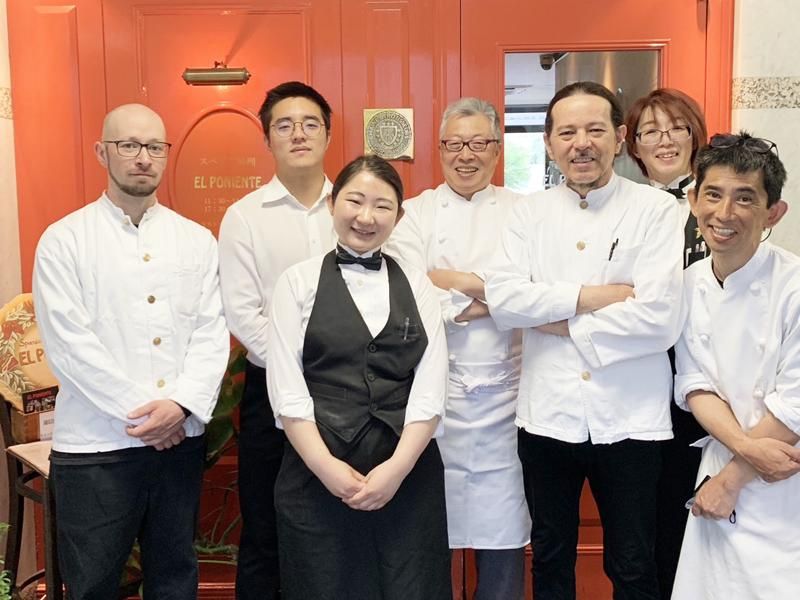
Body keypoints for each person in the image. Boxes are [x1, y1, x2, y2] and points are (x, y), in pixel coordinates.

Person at [478, 81, 685, 599]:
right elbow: (505, 299)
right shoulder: (527, 213)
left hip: (632, 420)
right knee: (550, 558)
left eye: (595, 130)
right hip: (547, 415)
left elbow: (659, 317)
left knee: (633, 562)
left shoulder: (657, 210)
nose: (582, 144)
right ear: (549, 143)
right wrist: (597, 297)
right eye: (567, 132)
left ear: (620, 137)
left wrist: (555, 316)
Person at [33, 104, 229, 599]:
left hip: (179, 443)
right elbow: (69, 345)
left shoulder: (196, 241)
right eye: (129, 145)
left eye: (155, 147)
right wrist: (148, 417)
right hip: (95, 446)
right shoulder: (64, 240)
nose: (143, 157)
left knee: (175, 579)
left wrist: (179, 406)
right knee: (92, 585)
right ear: (102, 152)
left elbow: (212, 332)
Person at [266, 155, 451, 600]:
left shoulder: (417, 284)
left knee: (412, 588)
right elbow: (287, 392)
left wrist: (397, 470)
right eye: (355, 201)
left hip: (406, 472)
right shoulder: (296, 282)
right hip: (317, 472)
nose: (366, 217)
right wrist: (327, 468)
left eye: (382, 206)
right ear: (333, 203)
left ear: (398, 217)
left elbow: (430, 387)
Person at [385, 97, 530, 600]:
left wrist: (453, 281)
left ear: (497, 149)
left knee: (504, 533)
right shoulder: (414, 214)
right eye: (454, 143)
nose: (465, 155)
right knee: (430, 534)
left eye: (478, 143)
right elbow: (408, 287)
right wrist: (496, 297)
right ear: (440, 148)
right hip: (436, 394)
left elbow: (534, 288)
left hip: (508, 398)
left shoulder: (524, 212)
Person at [218, 81, 336, 599]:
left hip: (347, 392)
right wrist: (296, 371)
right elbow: (243, 313)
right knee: (265, 530)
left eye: (310, 123)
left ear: (328, 134)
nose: (299, 134)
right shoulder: (244, 216)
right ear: (267, 139)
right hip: (269, 393)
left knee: (339, 526)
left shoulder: (355, 206)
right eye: (284, 125)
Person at [672, 133, 800, 600]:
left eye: (745, 198)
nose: (724, 214)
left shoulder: (793, 286)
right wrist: (744, 453)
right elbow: (695, 385)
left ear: (773, 213)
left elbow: (796, 404)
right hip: (723, 468)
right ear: (693, 201)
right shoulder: (685, 285)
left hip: (785, 474)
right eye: (713, 194)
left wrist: (732, 478)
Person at [625, 88, 709, 599]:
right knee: (645, 525)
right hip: (640, 381)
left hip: (705, 382)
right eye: (650, 131)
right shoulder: (628, 209)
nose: (665, 140)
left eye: (676, 127)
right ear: (633, 145)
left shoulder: (716, 204)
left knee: (699, 515)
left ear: (695, 134)